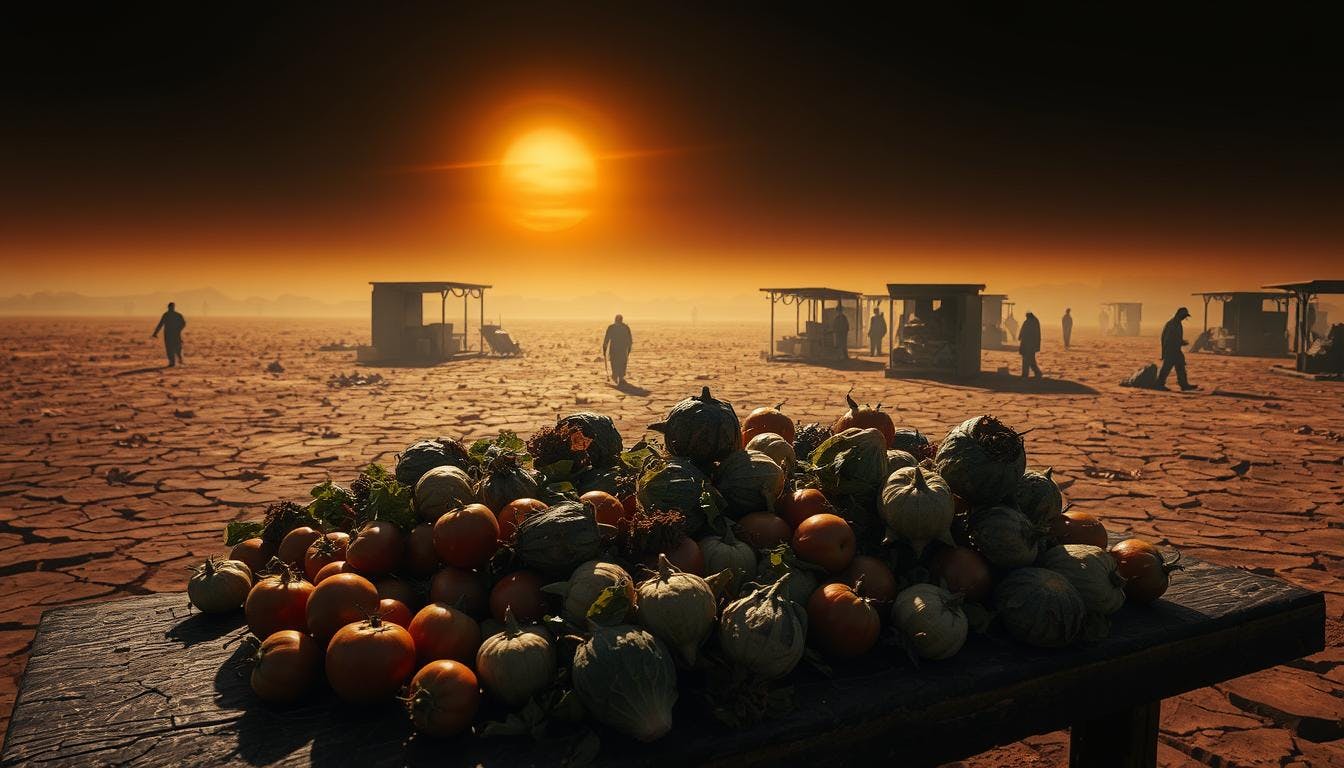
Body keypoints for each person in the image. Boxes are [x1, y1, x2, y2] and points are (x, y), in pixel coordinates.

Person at [1157, 307, 1198, 391]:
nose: (1185, 318)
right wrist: (1181, 343)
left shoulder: (1175, 323)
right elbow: (1169, 338)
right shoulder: (1173, 324)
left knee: (1180, 366)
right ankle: (1159, 384)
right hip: (1171, 350)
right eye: (1184, 316)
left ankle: (1183, 384)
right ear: (1180, 314)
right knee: (1167, 367)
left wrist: (1180, 342)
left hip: (1175, 349)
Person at [151, 302, 186, 367]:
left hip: (172, 334)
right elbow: (160, 324)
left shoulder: (170, 315)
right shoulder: (172, 315)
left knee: (175, 347)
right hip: (171, 334)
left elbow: (183, 323)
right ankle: (173, 362)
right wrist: (155, 333)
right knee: (171, 348)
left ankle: (178, 360)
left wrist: (178, 329)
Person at [602, 314, 633, 386]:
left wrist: (604, 347)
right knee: (620, 363)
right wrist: (629, 348)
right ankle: (619, 377)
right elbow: (630, 340)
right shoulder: (625, 327)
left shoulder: (612, 327)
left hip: (616, 349)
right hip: (621, 349)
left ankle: (618, 376)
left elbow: (607, 339)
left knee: (616, 363)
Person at [1018, 311, 1042, 378]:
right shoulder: (1034, 322)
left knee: (1026, 360)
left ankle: (1025, 374)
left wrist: (1020, 337)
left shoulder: (1029, 322)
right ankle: (1037, 373)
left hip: (1028, 345)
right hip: (1031, 345)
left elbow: (1023, 331)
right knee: (1031, 360)